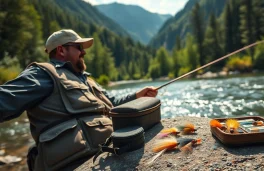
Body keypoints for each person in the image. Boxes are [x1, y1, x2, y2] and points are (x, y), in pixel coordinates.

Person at [0, 29, 158, 171]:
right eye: (79, 47)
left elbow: (110, 102)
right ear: (61, 50)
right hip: (71, 162)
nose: (84, 52)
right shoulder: (42, 74)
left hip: (106, 152)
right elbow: (5, 100)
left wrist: (137, 95)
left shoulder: (86, 79)